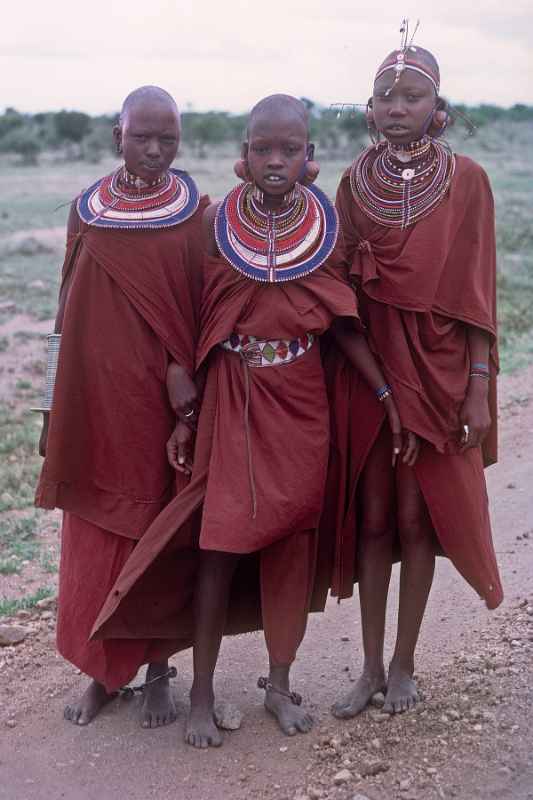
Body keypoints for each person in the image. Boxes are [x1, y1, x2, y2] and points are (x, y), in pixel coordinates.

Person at [90, 94, 411, 748]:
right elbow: (195, 319)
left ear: (309, 158)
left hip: (300, 397)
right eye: (261, 149)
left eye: (288, 150)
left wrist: (384, 395)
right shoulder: (215, 224)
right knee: (218, 542)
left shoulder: (324, 225)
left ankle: (278, 682)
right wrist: (186, 408)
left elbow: (341, 321)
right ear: (242, 156)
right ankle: (202, 693)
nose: (274, 161)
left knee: (291, 540)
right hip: (232, 395)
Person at [325, 37, 503, 720]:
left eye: (411, 97)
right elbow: (337, 296)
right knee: (372, 520)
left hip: (442, 374)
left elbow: (478, 295)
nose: (396, 108)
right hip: (371, 375)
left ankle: (404, 663)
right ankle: (368, 666)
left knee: (415, 519)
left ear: (438, 110)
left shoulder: (469, 182)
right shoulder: (350, 183)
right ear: (369, 110)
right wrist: (373, 384)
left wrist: (479, 387)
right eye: (385, 98)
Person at [36, 86, 208, 727]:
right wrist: (57, 401)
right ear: (119, 135)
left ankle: (160, 668)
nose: (157, 150)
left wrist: (179, 374)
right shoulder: (87, 209)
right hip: (92, 396)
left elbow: (195, 305)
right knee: (93, 530)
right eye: (144, 137)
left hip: (158, 403)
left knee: (155, 528)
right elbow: (65, 308)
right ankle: (100, 673)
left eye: (169, 139)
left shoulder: (195, 212)